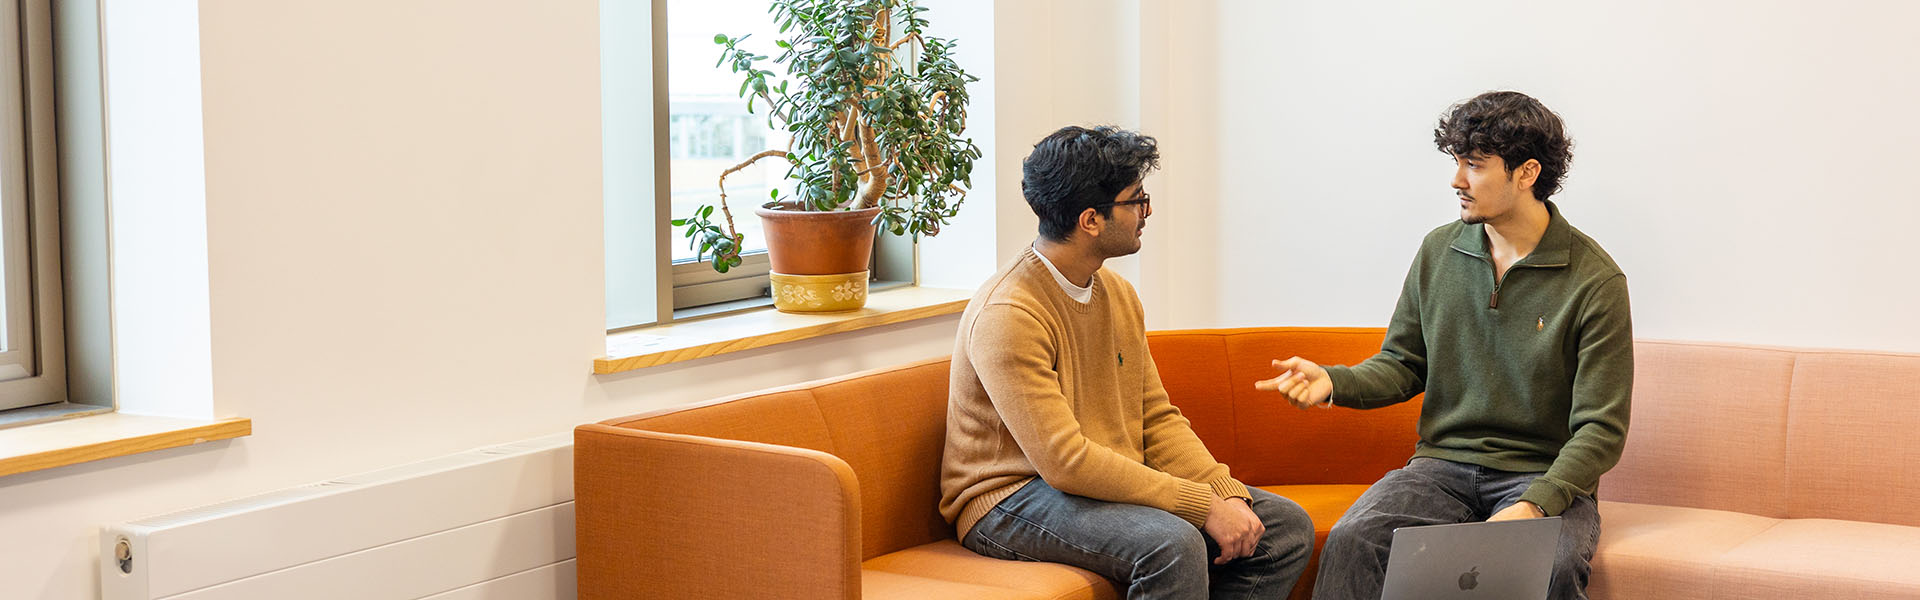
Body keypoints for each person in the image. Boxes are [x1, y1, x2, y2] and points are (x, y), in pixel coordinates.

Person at [1256, 91, 1633, 600]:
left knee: (1549, 566)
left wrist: (1536, 504)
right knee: (1355, 538)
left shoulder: (1594, 279)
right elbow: (1403, 364)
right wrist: (1333, 381)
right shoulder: (1440, 250)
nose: (1457, 179)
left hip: (1540, 474)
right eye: (1457, 162)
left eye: (1474, 165)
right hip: (1441, 469)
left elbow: (1601, 428)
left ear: (1526, 173)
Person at [941, 125, 1315, 598]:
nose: (1147, 211)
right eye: (1136, 200)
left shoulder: (1116, 293)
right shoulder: (1009, 314)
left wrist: (1223, 490)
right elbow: (1066, 462)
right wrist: (1200, 507)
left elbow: (1155, 417)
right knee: (1172, 544)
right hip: (1011, 499)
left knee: (1283, 528)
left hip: (1086, 479)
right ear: (1091, 220)